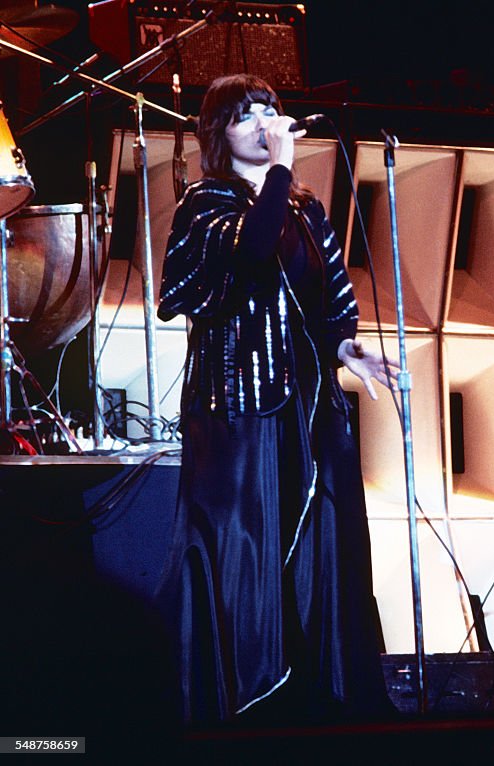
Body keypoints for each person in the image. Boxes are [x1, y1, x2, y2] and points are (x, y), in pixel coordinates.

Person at [156, 74, 395, 723]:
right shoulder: (205, 203)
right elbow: (253, 252)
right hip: (237, 410)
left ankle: (323, 696)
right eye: (245, 115)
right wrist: (282, 173)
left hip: (307, 407)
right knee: (249, 552)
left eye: (270, 110)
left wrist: (348, 348)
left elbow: (331, 297)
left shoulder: (307, 209)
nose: (263, 122)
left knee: (322, 546)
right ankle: (244, 701)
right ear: (218, 134)